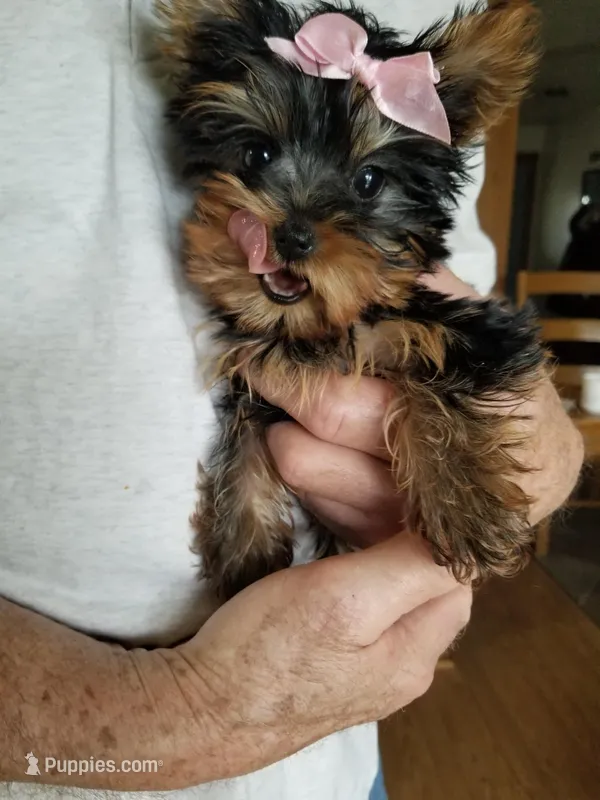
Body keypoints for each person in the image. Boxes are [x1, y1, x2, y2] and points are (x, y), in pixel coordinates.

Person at [0, 1, 583, 799]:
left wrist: (530, 457)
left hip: (333, 767)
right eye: (261, 151)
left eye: (368, 179)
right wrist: (170, 707)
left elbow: (484, 337)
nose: (298, 221)